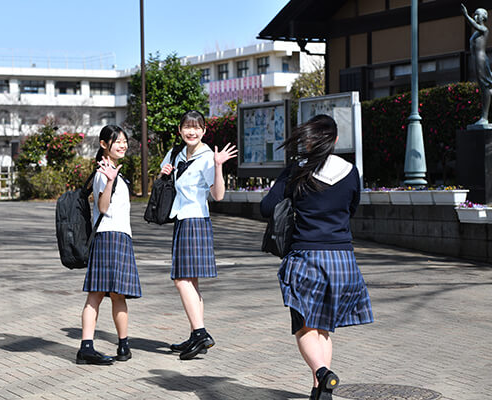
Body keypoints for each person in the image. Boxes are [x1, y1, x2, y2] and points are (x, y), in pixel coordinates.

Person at [260, 115, 373, 400]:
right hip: (343, 260)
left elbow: (266, 207)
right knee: (322, 328)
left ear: (307, 140)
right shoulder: (350, 171)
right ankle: (320, 392)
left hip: (307, 258)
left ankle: (323, 373)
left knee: (303, 328)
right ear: (334, 141)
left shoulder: (296, 170)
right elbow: (352, 208)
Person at [159, 110, 237, 360]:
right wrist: (164, 175)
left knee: (181, 280)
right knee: (191, 282)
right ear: (180, 130)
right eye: (186, 127)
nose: (191, 132)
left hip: (195, 220)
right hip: (182, 219)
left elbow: (218, 195)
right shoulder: (174, 154)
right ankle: (196, 336)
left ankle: (201, 332)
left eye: (197, 127)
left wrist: (218, 166)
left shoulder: (207, 157)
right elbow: (161, 183)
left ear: (204, 131)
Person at [78, 125, 142, 366]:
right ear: (104, 144)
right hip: (107, 237)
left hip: (121, 237)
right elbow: (103, 207)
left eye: (124, 141)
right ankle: (86, 347)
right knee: (96, 294)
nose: (122, 145)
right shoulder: (103, 172)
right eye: (117, 141)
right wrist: (108, 181)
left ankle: (124, 345)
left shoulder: (116, 171)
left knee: (118, 295)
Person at [461, 4, 492, 125]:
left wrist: (465, 15)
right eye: (475, 14)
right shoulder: (476, 32)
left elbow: (474, 25)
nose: (475, 16)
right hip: (476, 60)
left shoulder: (484, 30)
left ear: (484, 17)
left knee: (485, 86)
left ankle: (484, 117)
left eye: (478, 14)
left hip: (481, 59)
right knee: (484, 86)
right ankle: (484, 116)